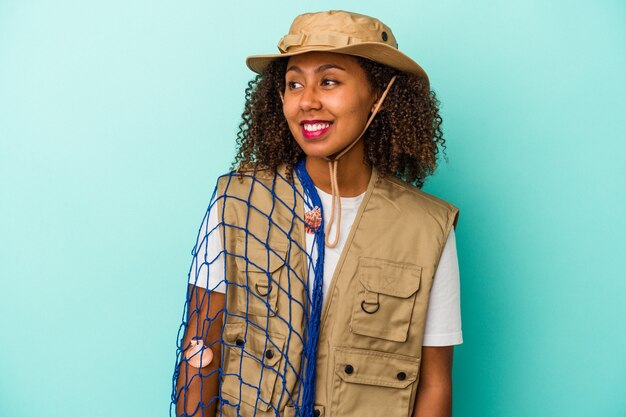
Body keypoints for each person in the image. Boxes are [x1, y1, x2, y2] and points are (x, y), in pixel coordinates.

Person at [171, 10, 462, 417]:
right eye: (294, 83)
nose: (307, 101)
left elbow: (434, 384)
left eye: (329, 81)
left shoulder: (427, 227)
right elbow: (200, 352)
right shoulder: (237, 202)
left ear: (379, 96)